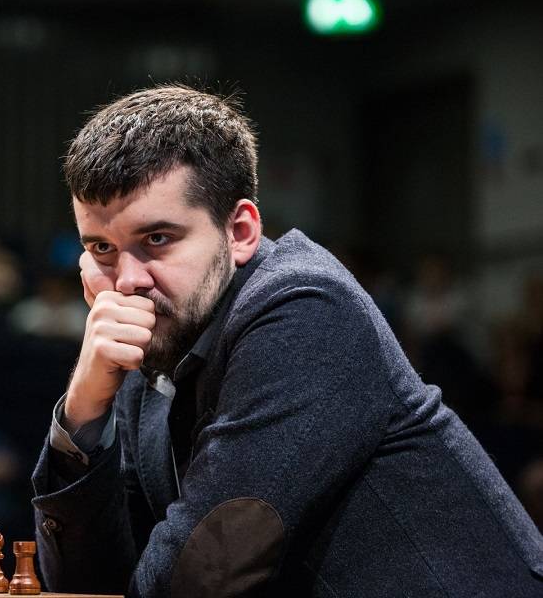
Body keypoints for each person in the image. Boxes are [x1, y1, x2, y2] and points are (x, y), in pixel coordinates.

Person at [30, 86, 543, 597]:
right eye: (102, 248)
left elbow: (199, 576)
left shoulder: (305, 309)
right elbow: (88, 590)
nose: (126, 281)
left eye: (157, 239)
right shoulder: (154, 342)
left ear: (240, 232)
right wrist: (83, 410)